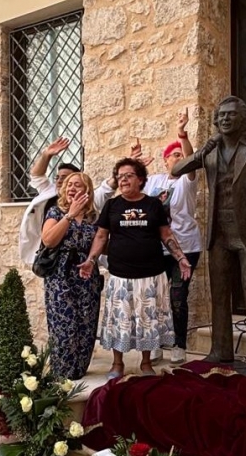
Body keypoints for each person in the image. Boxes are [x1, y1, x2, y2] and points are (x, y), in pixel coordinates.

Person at [171, 96, 246, 370]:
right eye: (222, 116)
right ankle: (220, 351)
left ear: (242, 120)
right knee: (218, 295)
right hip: (218, 233)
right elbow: (176, 170)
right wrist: (201, 151)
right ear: (216, 121)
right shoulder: (211, 152)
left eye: (231, 115)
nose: (226, 119)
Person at [79, 158, 191, 379]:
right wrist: (91, 260)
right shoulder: (112, 206)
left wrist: (180, 257)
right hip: (121, 275)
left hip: (151, 274)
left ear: (140, 179)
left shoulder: (153, 204)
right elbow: (101, 236)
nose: (123, 180)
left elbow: (166, 234)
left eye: (128, 175)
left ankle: (146, 362)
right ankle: (117, 363)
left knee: (147, 319)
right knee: (119, 320)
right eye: (120, 176)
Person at [146, 111, 201, 363]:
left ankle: (179, 344)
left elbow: (192, 160)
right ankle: (156, 341)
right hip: (156, 249)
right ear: (165, 161)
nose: (179, 159)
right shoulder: (153, 181)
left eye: (181, 155)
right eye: (174, 155)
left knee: (178, 296)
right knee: (155, 297)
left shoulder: (186, 182)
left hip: (186, 248)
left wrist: (182, 134)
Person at [42, 172, 104, 379]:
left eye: (77, 185)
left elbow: (102, 242)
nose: (71, 188)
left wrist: (92, 259)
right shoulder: (55, 212)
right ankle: (62, 372)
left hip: (86, 274)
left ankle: (80, 370)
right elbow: (48, 240)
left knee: (86, 322)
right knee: (63, 323)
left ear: (87, 191)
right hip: (60, 275)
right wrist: (69, 215)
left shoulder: (94, 217)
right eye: (69, 185)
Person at [18, 137, 81, 265]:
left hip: (76, 255)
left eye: (64, 178)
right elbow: (36, 175)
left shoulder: (85, 197)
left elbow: (106, 188)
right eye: (57, 177)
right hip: (50, 254)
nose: (58, 180)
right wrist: (46, 155)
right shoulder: (50, 191)